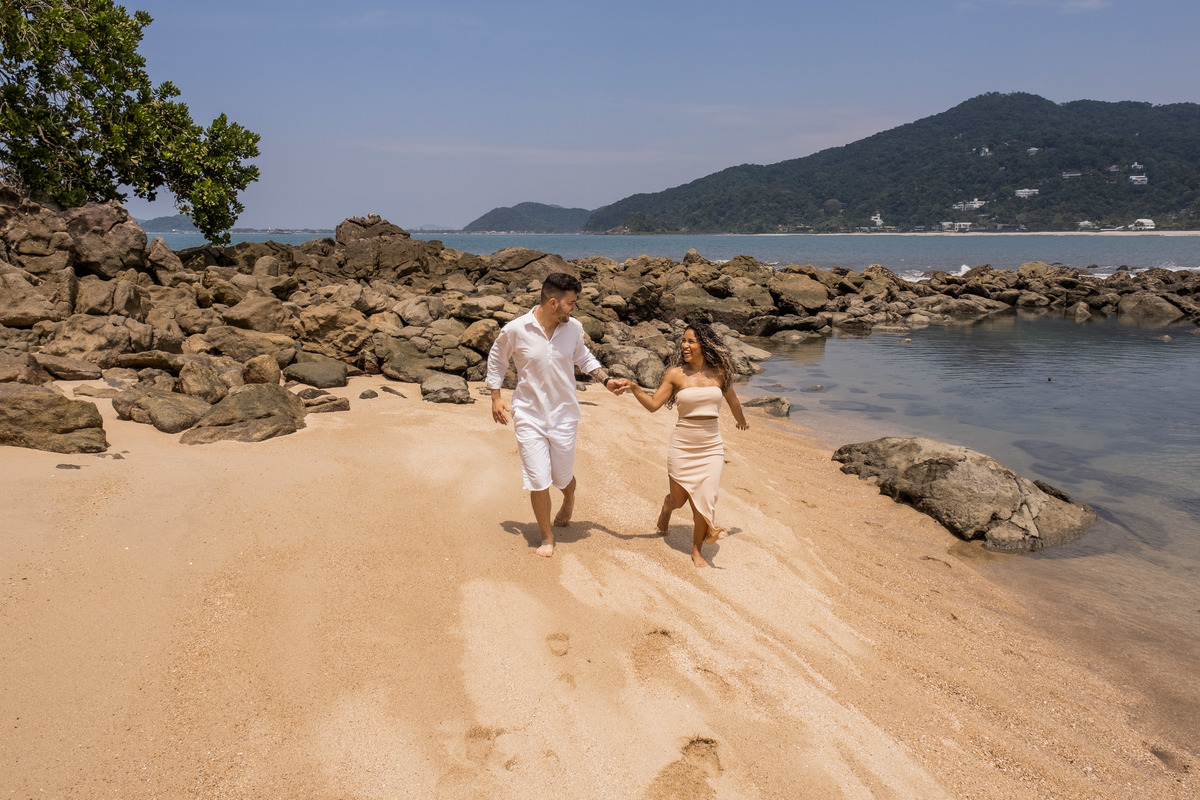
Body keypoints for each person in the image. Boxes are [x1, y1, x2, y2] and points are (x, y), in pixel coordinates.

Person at [486, 272, 623, 557]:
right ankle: (546, 536)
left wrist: (606, 380)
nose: (574, 307)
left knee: (561, 478)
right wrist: (495, 397)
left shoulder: (573, 328)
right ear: (553, 302)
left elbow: (583, 357)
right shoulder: (516, 329)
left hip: (564, 415)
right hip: (528, 414)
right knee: (538, 479)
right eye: (571, 303)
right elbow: (497, 359)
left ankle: (569, 496)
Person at [617, 316, 748, 567]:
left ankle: (696, 549)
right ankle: (666, 510)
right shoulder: (676, 375)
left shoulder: (720, 373)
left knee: (705, 498)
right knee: (678, 500)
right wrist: (634, 387)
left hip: (711, 447)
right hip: (683, 446)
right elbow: (654, 405)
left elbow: (733, 402)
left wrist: (741, 421)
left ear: (705, 344)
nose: (684, 346)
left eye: (691, 341)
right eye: (682, 342)